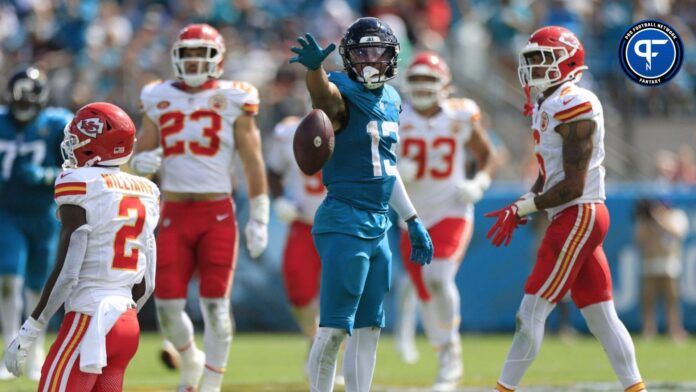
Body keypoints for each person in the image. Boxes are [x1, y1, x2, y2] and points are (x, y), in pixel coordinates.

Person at [484, 26, 646, 392]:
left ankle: (503, 389)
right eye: (532, 61)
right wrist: (524, 202)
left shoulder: (575, 102)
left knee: (531, 311)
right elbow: (550, 173)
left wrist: (527, 207)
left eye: (543, 60)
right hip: (575, 213)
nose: (535, 69)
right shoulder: (547, 104)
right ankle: (636, 389)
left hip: (579, 212)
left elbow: (572, 183)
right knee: (600, 314)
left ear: (568, 61)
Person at [289, 17, 434, 392]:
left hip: (379, 224)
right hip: (344, 219)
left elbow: (387, 168)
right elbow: (325, 99)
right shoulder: (340, 88)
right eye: (363, 53)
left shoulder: (392, 99)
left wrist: (412, 218)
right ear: (348, 58)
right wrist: (315, 70)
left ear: (393, 57)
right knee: (336, 327)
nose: (371, 60)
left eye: (379, 52)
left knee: (370, 327)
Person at [130, 23, 269, 392]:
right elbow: (142, 154)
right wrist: (141, 162)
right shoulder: (157, 95)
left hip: (217, 214)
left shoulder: (235, 96)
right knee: (167, 307)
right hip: (174, 213)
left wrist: (260, 216)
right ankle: (190, 359)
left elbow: (252, 160)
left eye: (200, 54)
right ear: (176, 57)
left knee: (215, 304)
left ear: (217, 59)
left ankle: (210, 382)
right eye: (187, 54)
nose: (193, 61)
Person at [4, 102, 160, 391]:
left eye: (76, 140)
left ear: (96, 145)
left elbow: (68, 271)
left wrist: (31, 328)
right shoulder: (148, 190)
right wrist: (121, 315)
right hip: (126, 323)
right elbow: (147, 282)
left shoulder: (78, 182)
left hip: (89, 319)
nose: (70, 146)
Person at [395, 51, 497, 391]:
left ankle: (451, 356)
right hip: (409, 217)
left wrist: (479, 182)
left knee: (437, 277)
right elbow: (371, 163)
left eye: (430, 79)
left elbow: (487, 157)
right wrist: (394, 171)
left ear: (446, 86)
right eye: (418, 79)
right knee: (427, 294)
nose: (423, 86)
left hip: (451, 209)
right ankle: (445, 358)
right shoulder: (393, 115)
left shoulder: (461, 115)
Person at [0, 67, 73, 380]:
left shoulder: (57, 122)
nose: (24, 103)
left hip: (44, 213)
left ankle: (34, 348)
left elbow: (78, 162)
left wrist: (46, 175)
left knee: (38, 285)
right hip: (7, 212)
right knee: (7, 280)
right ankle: (8, 347)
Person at [634, 199, 689, 342]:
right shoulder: (647, 221)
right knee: (648, 301)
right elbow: (639, 239)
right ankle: (648, 330)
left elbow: (677, 233)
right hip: (650, 265)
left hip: (670, 267)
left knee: (671, 301)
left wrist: (659, 220)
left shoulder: (676, 216)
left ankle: (674, 330)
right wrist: (649, 222)